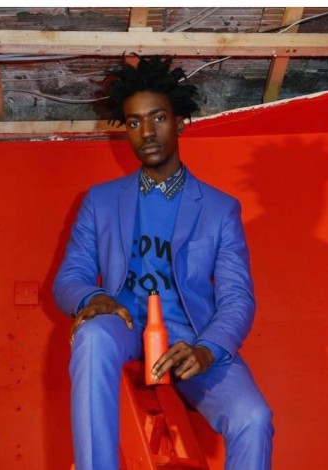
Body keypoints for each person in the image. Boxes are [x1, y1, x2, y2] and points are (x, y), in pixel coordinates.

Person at [53, 55, 274, 470]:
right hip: (123, 324)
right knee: (92, 336)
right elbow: (70, 276)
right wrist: (94, 298)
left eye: (158, 118)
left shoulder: (220, 209)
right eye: (134, 122)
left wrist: (207, 349)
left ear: (180, 123)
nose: (147, 132)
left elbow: (237, 299)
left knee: (254, 417)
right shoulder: (100, 201)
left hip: (191, 338)